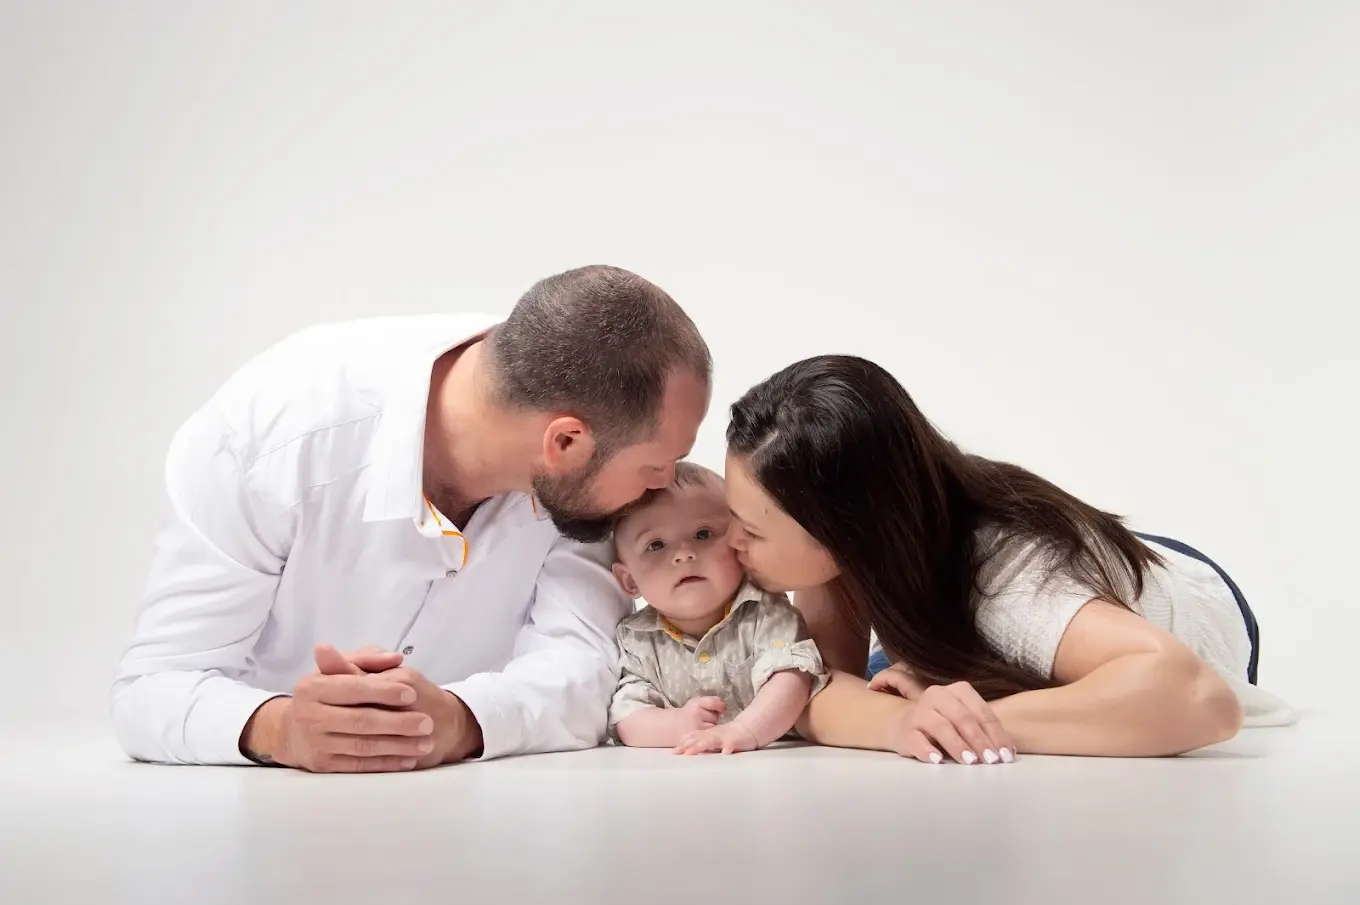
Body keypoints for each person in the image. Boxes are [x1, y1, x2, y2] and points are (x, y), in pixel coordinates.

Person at [111, 265, 712, 772]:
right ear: (566, 443)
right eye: (660, 464)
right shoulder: (268, 439)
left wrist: (460, 719)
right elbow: (152, 688)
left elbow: (587, 671)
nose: (664, 486)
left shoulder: (578, 457)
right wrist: (279, 729)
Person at [722, 354, 1297, 765]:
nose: (729, 544)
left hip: (1191, 598)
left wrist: (975, 722)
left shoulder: (1010, 586)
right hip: (1074, 574)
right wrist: (904, 723)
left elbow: (1198, 699)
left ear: (842, 534)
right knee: (895, 685)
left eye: (749, 530)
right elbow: (812, 688)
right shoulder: (855, 552)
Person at [606, 463, 829, 755]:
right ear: (629, 580)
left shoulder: (765, 611)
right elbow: (626, 716)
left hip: (778, 763)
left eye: (703, 534)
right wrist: (675, 724)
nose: (684, 554)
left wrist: (745, 730)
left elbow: (792, 678)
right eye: (656, 544)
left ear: (738, 540)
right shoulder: (637, 639)